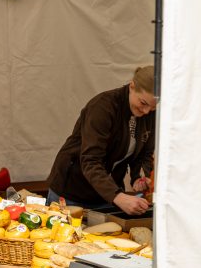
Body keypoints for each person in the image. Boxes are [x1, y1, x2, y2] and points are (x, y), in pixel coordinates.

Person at [46, 65, 156, 215]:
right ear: (132, 86)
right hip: (73, 191)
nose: (146, 111)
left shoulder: (148, 113)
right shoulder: (103, 107)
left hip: (107, 195)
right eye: (143, 103)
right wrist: (118, 197)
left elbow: (144, 153)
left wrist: (139, 176)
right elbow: (91, 161)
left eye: (153, 108)